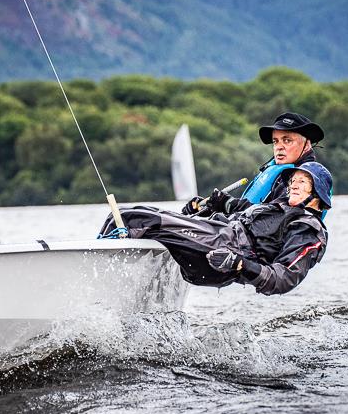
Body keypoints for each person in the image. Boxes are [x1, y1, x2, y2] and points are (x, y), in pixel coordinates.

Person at [100, 162, 332, 296]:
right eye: (292, 181)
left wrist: (240, 264)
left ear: (317, 194)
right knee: (128, 215)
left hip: (224, 250)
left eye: (302, 182)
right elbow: (244, 211)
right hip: (217, 234)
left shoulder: (308, 229)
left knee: (133, 218)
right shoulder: (279, 207)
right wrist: (213, 204)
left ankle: (98, 284)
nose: (293, 185)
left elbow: (284, 278)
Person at [183, 112, 328, 216]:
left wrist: (227, 204)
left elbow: (274, 215)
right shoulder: (276, 170)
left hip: (266, 252)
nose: (279, 146)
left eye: (287, 140)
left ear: (307, 144)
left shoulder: (305, 179)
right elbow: (251, 209)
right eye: (275, 141)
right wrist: (208, 207)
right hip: (243, 238)